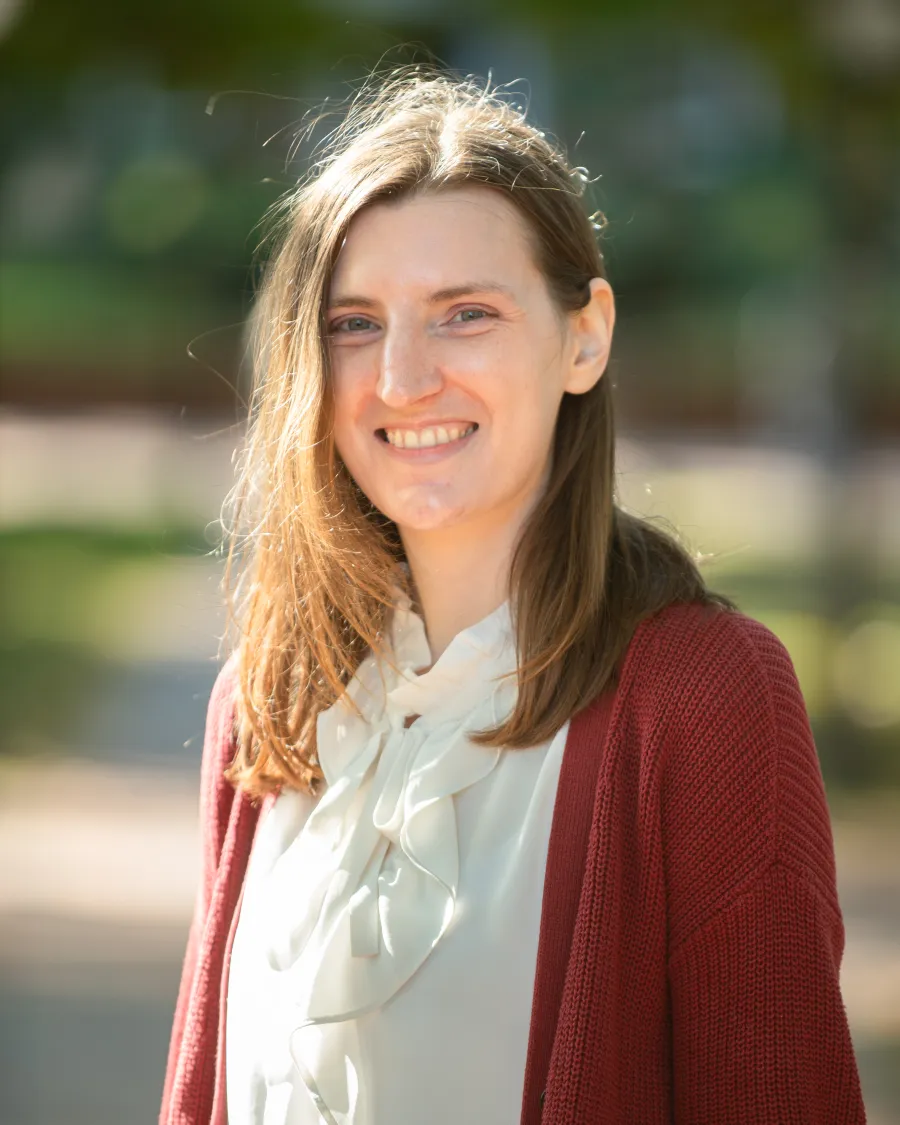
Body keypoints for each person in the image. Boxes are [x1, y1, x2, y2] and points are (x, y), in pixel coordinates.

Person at [160, 67, 867, 1125]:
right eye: (355, 324)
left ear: (584, 337)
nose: (401, 378)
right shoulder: (268, 699)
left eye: (465, 315)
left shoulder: (705, 697)